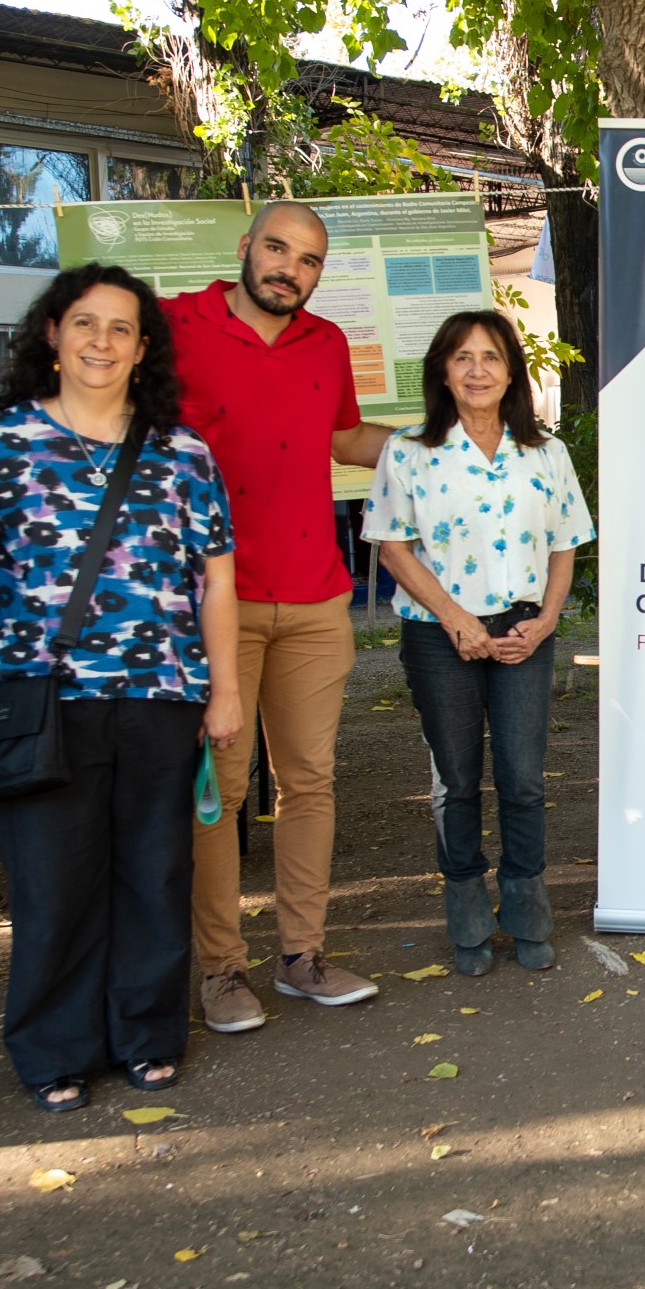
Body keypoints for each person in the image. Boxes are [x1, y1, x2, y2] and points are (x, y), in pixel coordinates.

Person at [0, 264, 242, 1111]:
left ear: (143, 347)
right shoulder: (1, 443)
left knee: (154, 873)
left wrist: (223, 690)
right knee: (53, 880)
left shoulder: (181, 451)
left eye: (121, 328)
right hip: (42, 695)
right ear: (52, 334)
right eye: (85, 323)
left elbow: (216, 578)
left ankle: (146, 1035)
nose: (101, 341)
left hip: (161, 692)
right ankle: (56, 1049)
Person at [165, 201, 394, 1029]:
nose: (288, 269)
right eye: (276, 248)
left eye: (308, 260)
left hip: (313, 597)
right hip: (207, 602)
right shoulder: (172, 326)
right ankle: (222, 971)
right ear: (244, 247)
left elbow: (345, 440)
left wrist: (449, 438)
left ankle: (301, 956)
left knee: (310, 785)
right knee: (218, 796)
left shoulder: (327, 344)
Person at [364, 309, 590, 977]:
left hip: (525, 631)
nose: (477, 369)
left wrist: (547, 620)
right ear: (443, 369)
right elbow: (393, 549)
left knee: (522, 779)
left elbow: (565, 543)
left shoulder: (545, 452)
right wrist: (457, 619)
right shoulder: (408, 449)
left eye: (490, 356)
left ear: (511, 370)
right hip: (441, 636)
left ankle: (525, 908)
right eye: (462, 357)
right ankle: (465, 909)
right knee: (456, 780)